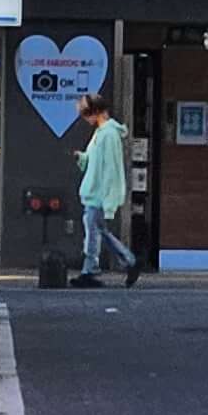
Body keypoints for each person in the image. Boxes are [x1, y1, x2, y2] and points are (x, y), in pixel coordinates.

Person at [73, 95, 141, 287]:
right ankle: (123, 262)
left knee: (95, 232)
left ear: (96, 112)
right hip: (96, 193)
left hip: (98, 194)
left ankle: (92, 270)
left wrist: (110, 200)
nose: (86, 118)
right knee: (98, 231)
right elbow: (97, 161)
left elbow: (112, 169)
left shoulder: (108, 135)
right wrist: (83, 158)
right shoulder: (102, 133)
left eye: (87, 113)